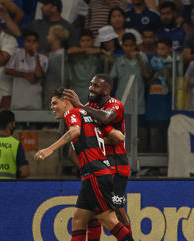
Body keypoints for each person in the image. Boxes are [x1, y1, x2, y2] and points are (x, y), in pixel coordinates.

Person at [34, 88, 133, 241]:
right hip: (99, 172)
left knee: (108, 220)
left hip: (94, 173)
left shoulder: (71, 113)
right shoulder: (88, 114)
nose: (52, 107)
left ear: (66, 102)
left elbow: (74, 131)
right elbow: (119, 136)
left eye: (55, 103)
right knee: (79, 220)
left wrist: (49, 149)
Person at [63, 73, 132, 240]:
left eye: (96, 86)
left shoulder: (115, 105)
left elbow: (107, 118)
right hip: (98, 167)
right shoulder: (89, 107)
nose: (91, 88)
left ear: (107, 90)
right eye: (91, 84)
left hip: (116, 165)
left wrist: (80, 106)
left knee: (117, 211)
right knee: (89, 216)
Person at [5, 31, 49, 110]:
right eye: (28, 41)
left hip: (34, 103)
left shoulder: (43, 58)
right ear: (24, 43)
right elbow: (7, 71)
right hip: (17, 102)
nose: (31, 44)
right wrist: (24, 74)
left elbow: (38, 75)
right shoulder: (17, 54)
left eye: (34, 41)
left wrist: (36, 55)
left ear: (38, 43)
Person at [67, 29, 104, 104]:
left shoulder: (97, 55)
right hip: (75, 90)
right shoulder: (74, 54)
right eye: (83, 41)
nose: (85, 43)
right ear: (79, 42)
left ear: (93, 41)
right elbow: (69, 51)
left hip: (91, 90)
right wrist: (87, 50)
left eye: (88, 40)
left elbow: (100, 52)